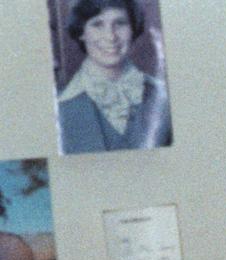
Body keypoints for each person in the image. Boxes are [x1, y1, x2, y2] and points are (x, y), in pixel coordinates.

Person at [55, 0, 173, 153]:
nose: (111, 36)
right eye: (97, 24)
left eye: (120, 23)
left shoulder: (164, 97)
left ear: (133, 28)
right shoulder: (56, 106)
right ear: (81, 32)